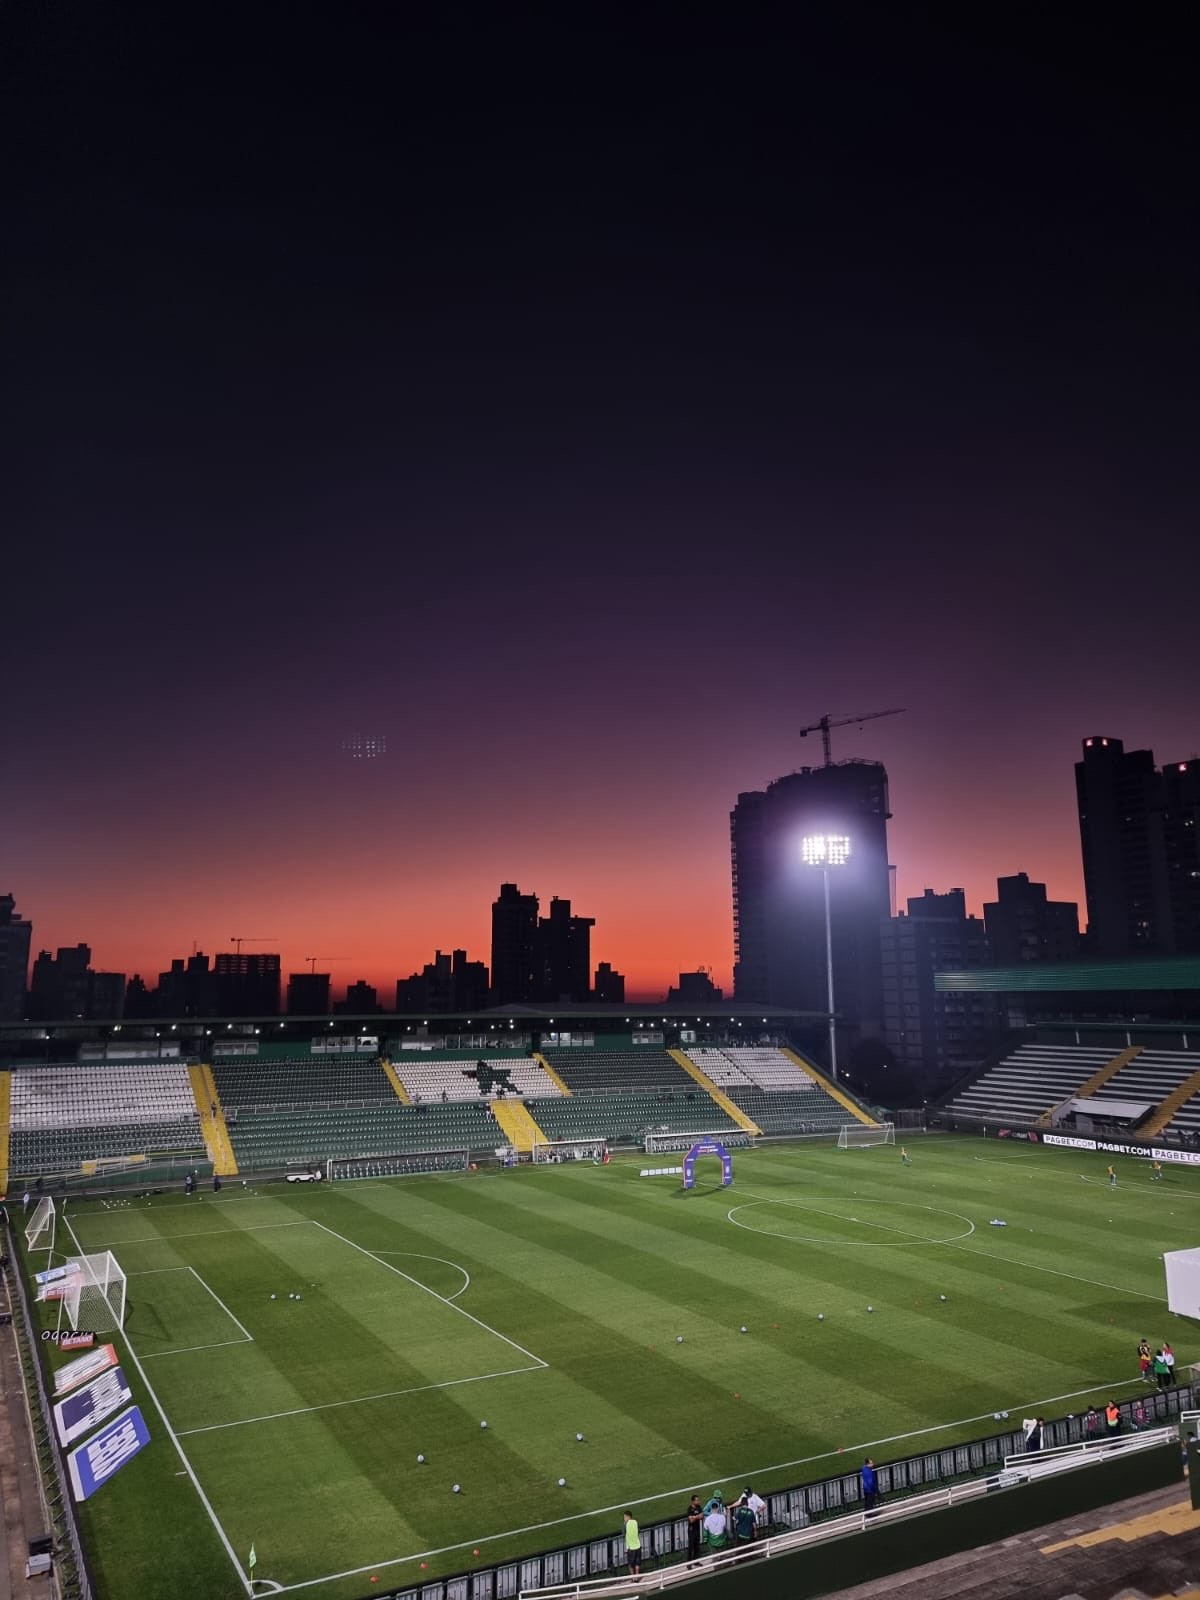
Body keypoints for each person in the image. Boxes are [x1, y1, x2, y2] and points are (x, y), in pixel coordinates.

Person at [685, 1495, 703, 1562]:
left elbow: (702, 1517)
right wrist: (697, 1516)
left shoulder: (699, 1507)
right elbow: (691, 1521)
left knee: (697, 1546)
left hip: (697, 1529)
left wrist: (694, 1517)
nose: (698, 1501)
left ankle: (696, 1561)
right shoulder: (690, 1509)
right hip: (691, 1530)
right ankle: (689, 1562)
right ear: (693, 1501)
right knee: (691, 1546)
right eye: (697, 1500)